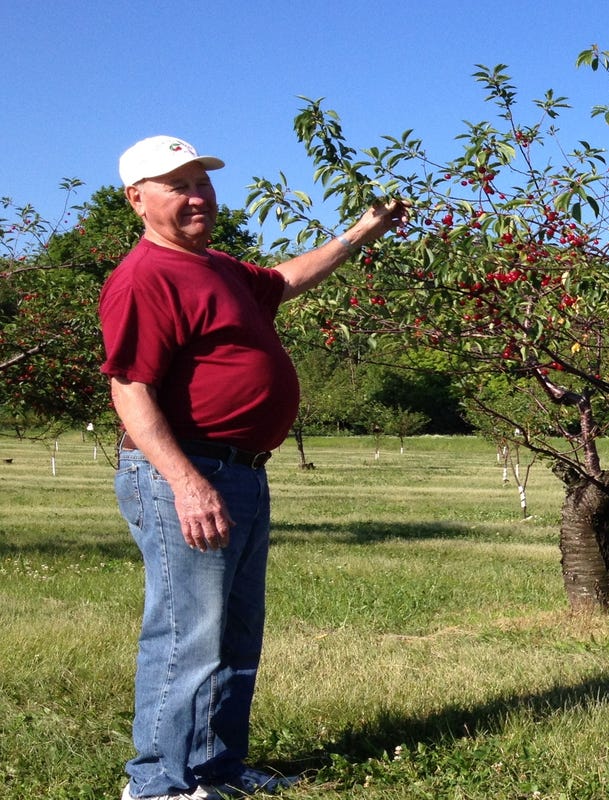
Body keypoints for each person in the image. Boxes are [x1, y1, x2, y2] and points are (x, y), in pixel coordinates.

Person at [100, 135, 406, 800]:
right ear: (137, 200)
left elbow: (288, 279)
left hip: (240, 470)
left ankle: (216, 766)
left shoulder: (218, 268)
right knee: (186, 636)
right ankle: (158, 785)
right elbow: (131, 389)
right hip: (190, 473)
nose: (196, 195)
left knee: (234, 635)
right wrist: (186, 482)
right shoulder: (144, 277)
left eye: (201, 182)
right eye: (176, 185)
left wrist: (364, 230)